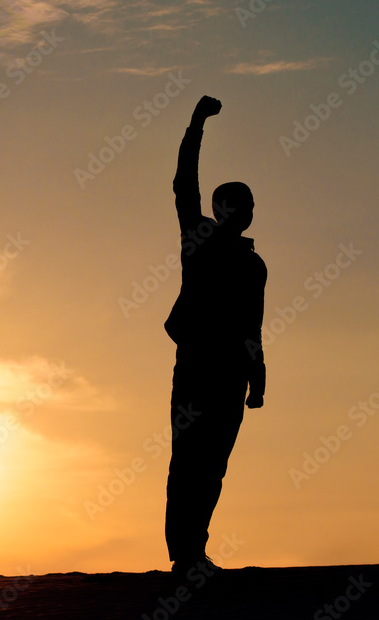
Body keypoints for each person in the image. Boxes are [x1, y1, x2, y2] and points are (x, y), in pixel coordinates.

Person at [163, 94, 267, 577]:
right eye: (233, 203)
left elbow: (253, 324)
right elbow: (184, 183)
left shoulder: (253, 264)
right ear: (220, 207)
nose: (241, 211)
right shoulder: (198, 237)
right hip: (197, 367)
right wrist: (196, 123)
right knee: (188, 459)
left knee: (214, 467)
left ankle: (195, 551)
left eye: (246, 205)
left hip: (231, 375)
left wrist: (258, 377)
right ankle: (183, 555)